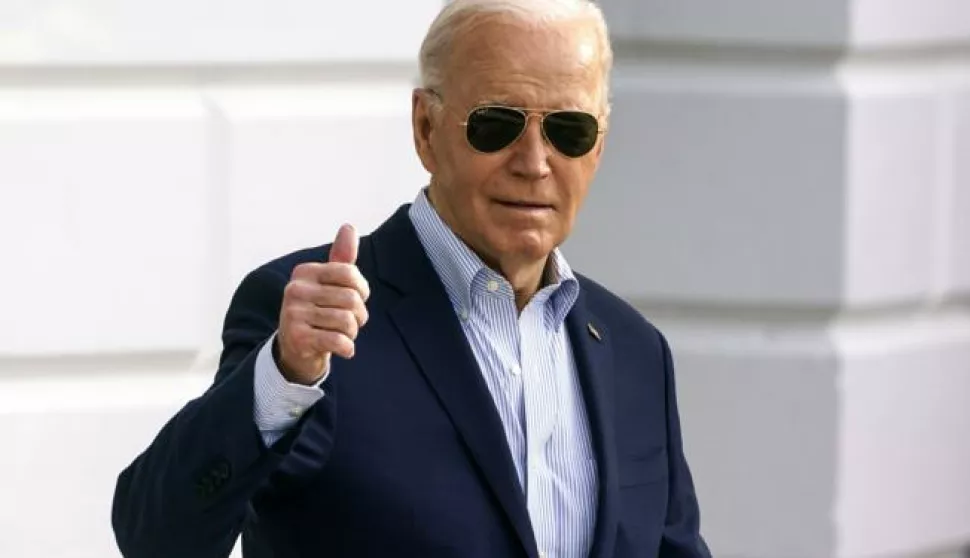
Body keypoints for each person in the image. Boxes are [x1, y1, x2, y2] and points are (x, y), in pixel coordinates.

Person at [111, 0, 710, 556]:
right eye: (495, 125)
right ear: (426, 127)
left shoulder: (635, 353)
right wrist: (284, 374)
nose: (534, 162)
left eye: (569, 131)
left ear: (598, 147)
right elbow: (155, 536)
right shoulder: (316, 325)